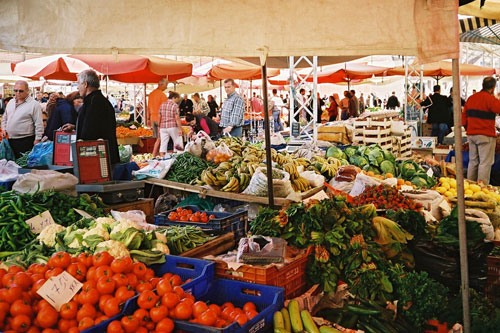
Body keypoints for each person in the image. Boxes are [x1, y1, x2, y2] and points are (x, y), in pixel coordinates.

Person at [61, 69, 119, 165]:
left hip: (99, 158)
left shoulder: (94, 102)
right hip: (103, 155)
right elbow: (95, 124)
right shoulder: (95, 100)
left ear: (85, 84)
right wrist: (75, 127)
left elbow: (90, 131)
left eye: (78, 84)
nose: (77, 88)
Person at [463, 77, 500, 184]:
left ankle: (470, 185)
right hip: (485, 135)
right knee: (485, 163)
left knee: (473, 161)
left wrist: (468, 129)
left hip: (471, 134)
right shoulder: (490, 99)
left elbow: (464, 117)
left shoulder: (471, 98)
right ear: (493, 88)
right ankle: (482, 187)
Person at [1, 80, 43, 158]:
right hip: (10, 139)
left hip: (26, 140)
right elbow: (5, 117)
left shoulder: (34, 104)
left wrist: (38, 139)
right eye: (15, 90)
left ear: (27, 90)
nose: (18, 93)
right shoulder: (11, 102)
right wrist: (4, 129)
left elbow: (38, 123)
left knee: (23, 166)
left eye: (21, 91)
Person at [158, 91, 183, 156]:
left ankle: (162, 157)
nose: (178, 100)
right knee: (177, 141)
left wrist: (159, 126)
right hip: (172, 126)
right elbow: (177, 118)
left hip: (163, 127)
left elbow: (159, 116)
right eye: (178, 99)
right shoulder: (175, 106)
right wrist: (180, 129)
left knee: (163, 143)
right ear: (174, 98)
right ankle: (177, 156)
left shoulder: (162, 105)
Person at [147, 78, 168, 157]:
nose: (166, 88)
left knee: (157, 138)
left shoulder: (151, 94)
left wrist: (148, 119)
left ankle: (157, 155)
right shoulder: (162, 95)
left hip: (153, 118)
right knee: (160, 138)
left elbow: (148, 107)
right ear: (161, 84)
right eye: (166, 85)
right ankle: (156, 155)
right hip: (160, 119)